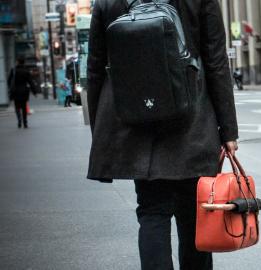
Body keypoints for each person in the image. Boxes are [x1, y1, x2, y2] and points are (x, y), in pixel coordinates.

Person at [87, 1, 238, 269]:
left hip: (136, 122)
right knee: (195, 215)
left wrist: (100, 133)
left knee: (152, 211)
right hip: (191, 120)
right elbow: (215, 61)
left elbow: (97, 66)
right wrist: (228, 130)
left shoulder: (106, 2)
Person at [7, 57, 37, 128]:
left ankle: (19, 120)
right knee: (24, 107)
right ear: (24, 62)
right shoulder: (26, 71)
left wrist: (10, 88)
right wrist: (34, 92)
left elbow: (9, 81)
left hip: (15, 91)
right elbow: (31, 82)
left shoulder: (13, 70)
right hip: (24, 91)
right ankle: (25, 122)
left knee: (17, 106)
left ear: (17, 62)